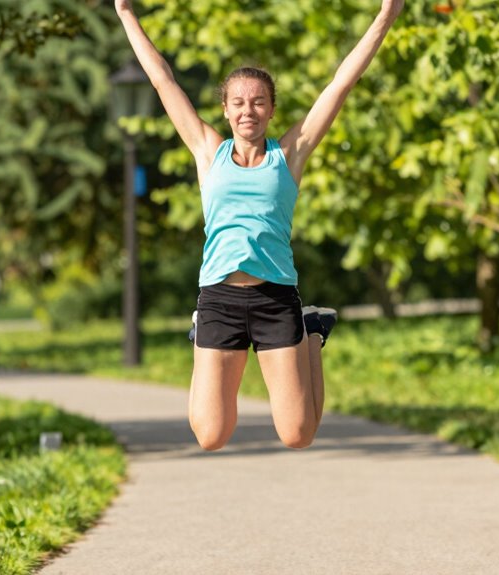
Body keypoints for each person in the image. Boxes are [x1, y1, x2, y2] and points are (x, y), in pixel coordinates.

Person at [115, 0, 404, 450]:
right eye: (238, 103)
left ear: (270, 110)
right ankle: (201, 332)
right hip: (219, 296)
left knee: (297, 435)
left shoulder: (289, 154)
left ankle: (310, 333)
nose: (247, 110)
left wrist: (385, 15)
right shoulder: (207, 151)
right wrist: (125, 12)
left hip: (274, 298)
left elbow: (341, 83)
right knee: (210, 436)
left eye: (258, 102)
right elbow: (161, 78)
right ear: (227, 111)